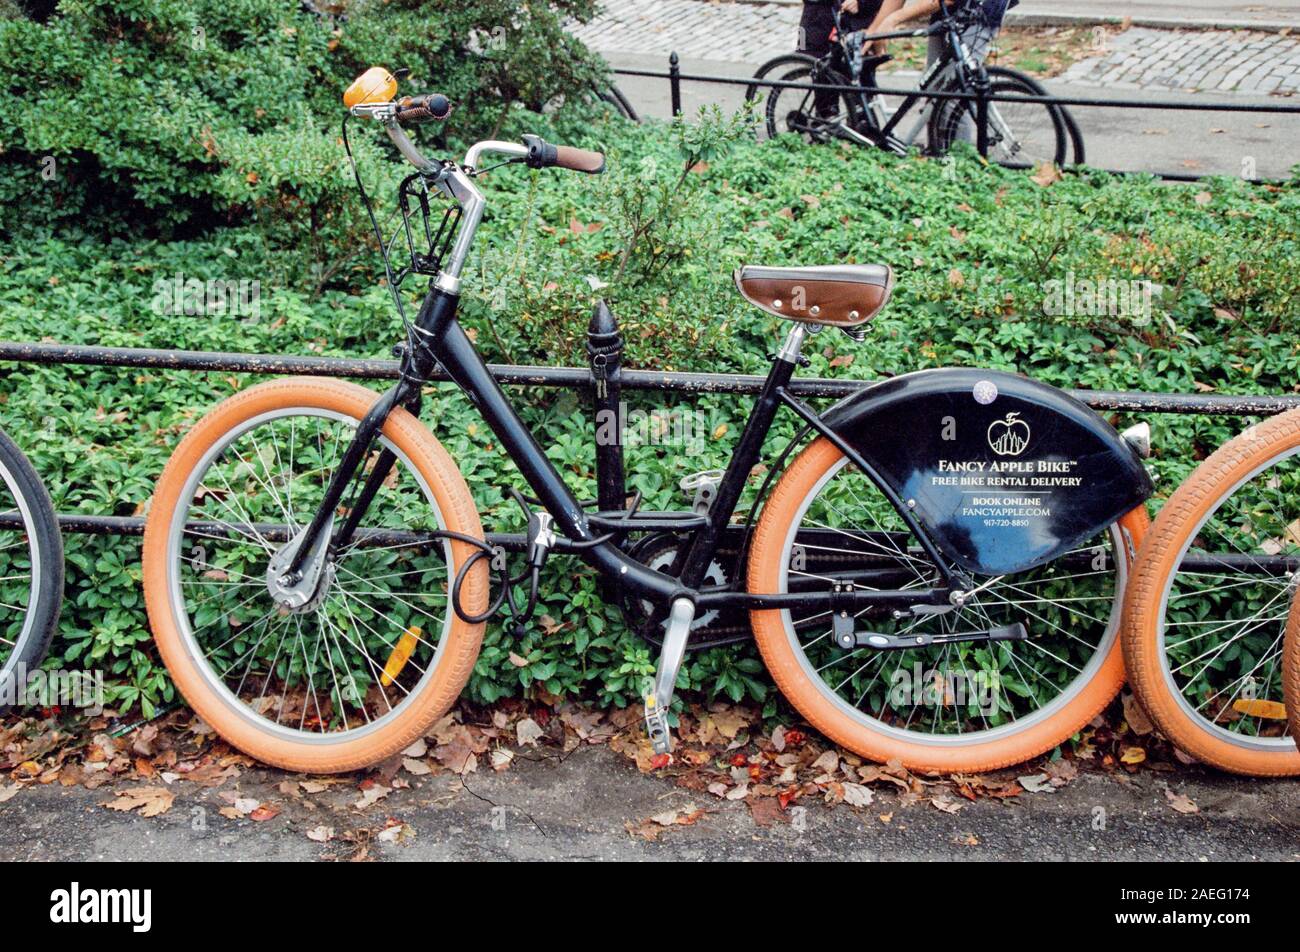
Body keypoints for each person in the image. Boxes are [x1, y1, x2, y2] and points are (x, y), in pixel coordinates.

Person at [798, 0, 885, 116]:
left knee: (862, 90)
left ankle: (860, 125)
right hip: (821, 20)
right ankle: (826, 122)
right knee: (824, 81)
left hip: (859, 23)